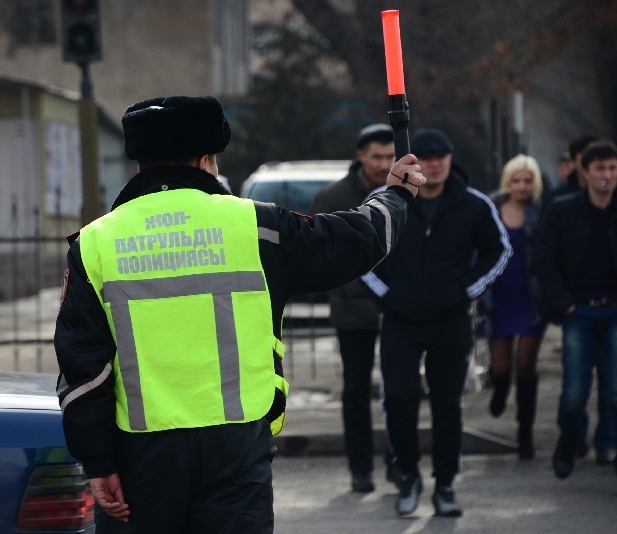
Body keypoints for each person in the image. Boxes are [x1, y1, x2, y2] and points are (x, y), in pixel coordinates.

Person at [54, 95, 426, 533]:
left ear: (140, 164)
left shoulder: (95, 243)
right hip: (236, 445)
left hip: (141, 454)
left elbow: (82, 367)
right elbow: (356, 239)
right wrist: (397, 195)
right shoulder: (256, 227)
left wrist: (98, 461)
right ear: (207, 159)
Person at [362, 128, 511, 517]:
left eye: (442, 157)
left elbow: (499, 249)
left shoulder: (473, 204)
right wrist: (386, 293)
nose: (435, 164)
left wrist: (468, 290)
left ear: (450, 159)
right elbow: (360, 250)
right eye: (427, 158)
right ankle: (407, 476)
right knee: (398, 398)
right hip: (400, 320)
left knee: (447, 405)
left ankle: (445, 484)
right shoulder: (386, 203)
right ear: (412, 162)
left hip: (451, 321)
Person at [310, 123, 394, 493]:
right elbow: (321, 250)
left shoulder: (402, 191)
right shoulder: (335, 196)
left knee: (398, 391)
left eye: (390, 156)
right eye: (377, 156)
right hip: (353, 310)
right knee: (356, 391)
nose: (383, 163)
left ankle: (398, 461)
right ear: (361, 156)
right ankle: (361, 467)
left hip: (398, 308)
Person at [534, 140, 617, 478]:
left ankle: (607, 443)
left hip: (614, 312)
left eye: (613, 169)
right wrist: (564, 304)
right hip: (578, 311)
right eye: (600, 169)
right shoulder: (563, 209)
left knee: (614, 390)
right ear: (585, 172)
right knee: (574, 391)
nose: (607, 176)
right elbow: (543, 259)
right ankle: (570, 439)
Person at [479, 154, 547, 459]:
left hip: (531, 299)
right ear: (508, 182)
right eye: (516, 180)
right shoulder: (490, 210)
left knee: (527, 364)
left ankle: (525, 433)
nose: (522, 186)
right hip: (498, 297)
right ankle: (500, 387)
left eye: (527, 181)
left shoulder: (541, 212)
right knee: (501, 366)